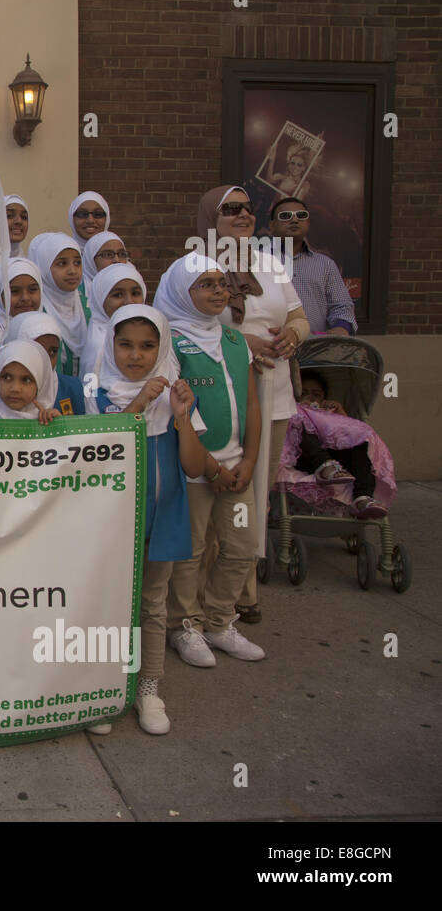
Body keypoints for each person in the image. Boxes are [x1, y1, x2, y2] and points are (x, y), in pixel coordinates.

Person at [89, 305, 210, 735]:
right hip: (110, 525)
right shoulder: (96, 393)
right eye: (125, 345)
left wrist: (180, 418)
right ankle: (103, 692)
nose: (135, 356)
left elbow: (194, 467)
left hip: (163, 517)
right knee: (108, 604)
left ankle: (148, 688)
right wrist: (140, 403)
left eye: (146, 346)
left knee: (152, 604)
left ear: (161, 349)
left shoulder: (175, 397)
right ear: (110, 345)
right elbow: (103, 450)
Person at [154, 252, 265, 669]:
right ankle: (185, 626)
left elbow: (251, 402)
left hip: (238, 468)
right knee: (192, 551)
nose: (220, 290)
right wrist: (212, 468)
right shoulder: (171, 343)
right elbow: (183, 414)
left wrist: (250, 460)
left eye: (222, 283)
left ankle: (220, 620)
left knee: (240, 547)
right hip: (197, 471)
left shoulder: (234, 340)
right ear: (184, 292)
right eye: (207, 284)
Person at [206, 184, 310, 623]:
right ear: (210, 217)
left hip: (274, 395)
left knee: (257, 498)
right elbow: (178, 327)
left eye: (247, 208)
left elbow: (298, 316)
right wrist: (238, 341)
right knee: (222, 494)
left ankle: (243, 590)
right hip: (223, 397)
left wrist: (294, 335)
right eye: (230, 209)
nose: (243, 215)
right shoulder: (196, 266)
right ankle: (210, 598)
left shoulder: (272, 265)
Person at [282, 371, 392, 519]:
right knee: (298, 423)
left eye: (316, 395)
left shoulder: (327, 413)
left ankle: (362, 497)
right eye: (304, 393)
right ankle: (324, 465)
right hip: (305, 457)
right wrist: (301, 408)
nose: (310, 398)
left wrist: (339, 413)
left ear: (323, 398)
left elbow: (348, 434)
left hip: (335, 459)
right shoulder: (293, 411)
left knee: (359, 439)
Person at [270, 197, 357, 335]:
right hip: (269, 346)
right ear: (272, 225)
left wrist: (341, 329)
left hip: (315, 350)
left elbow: (342, 306)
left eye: (301, 215)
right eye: (285, 216)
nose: (294, 220)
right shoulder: (257, 261)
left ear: (308, 223)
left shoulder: (325, 264)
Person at [28, 233, 87, 377]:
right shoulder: (36, 312)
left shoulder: (87, 309)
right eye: (62, 264)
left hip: (86, 394)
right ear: (44, 268)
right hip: (52, 396)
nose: (72, 270)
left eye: (77, 263)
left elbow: (94, 364)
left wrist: (89, 398)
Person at [6, 311, 87, 415]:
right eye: (37, 351)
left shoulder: (72, 388)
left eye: (52, 352)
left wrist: (62, 424)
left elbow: (83, 429)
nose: (46, 360)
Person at [79, 262, 146, 383]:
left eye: (135, 293)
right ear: (100, 299)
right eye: (118, 295)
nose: (129, 301)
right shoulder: (99, 346)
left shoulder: (150, 333)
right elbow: (88, 395)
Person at [0, 339, 61, 425]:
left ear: (40, 384)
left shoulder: (49, 423)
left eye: (26, 380)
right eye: (7, 377)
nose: (15, 388)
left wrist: (61, 427)